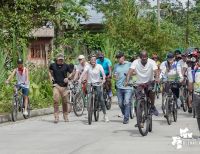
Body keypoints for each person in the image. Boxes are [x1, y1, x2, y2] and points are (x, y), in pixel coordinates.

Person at [125, 51, 159, 116]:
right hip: (139, 83)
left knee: (152, 91)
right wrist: (127, 81)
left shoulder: (152, 62)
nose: (144, 58)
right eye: (142, 57)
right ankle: (139, 119)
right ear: (140, 57)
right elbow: (130, 72)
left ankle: (152, 106)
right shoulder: (135, 62)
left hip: (149, 82)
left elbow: (156, 71)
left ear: (147, 57)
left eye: (145, 57)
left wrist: (157, 78)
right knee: (138, 100)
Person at [79, 55, 109, 122]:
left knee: (101, 98)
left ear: (96, 61)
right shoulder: (87, 66)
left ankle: (105, 115)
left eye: (94, 60)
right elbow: (83, 73)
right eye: (92, 60)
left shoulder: (99, 66)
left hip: (97, 83)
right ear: (90, 61)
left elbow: (103, 74)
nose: (93, 61)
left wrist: (104, 79)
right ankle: (89, 110)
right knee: (88, 96)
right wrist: (80, 79)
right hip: (90, 83)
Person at [49, 53, 74, 123]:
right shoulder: (53, 65)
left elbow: (72, 72)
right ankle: (56, 117)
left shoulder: (66, 66)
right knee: (56, 100)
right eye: (60, 59)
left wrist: (68, 78)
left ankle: (65, 116)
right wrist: (51, 77)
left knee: (65, 102)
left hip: (64, 87)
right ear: (57, 59)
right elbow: (49, 71)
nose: (61, 61)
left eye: (62, 59)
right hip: (56, 85)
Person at [113, 52, 133, 124]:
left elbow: (135, 72)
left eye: (119, 57)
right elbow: (114, 75)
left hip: (128, 87)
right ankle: (126, 114)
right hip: (119, 87)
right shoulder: (116, 66)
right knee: (120, 103)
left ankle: (126, 118)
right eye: (117, 58)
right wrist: (115, 76)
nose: (118, 59)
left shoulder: (129, 64)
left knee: (126, 102)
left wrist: (129, 74)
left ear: (123, 57)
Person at [188, 58, 200, 134]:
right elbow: (191, 84)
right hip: (197, 95)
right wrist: (190, 96)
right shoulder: (193, 70)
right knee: (198, 116)